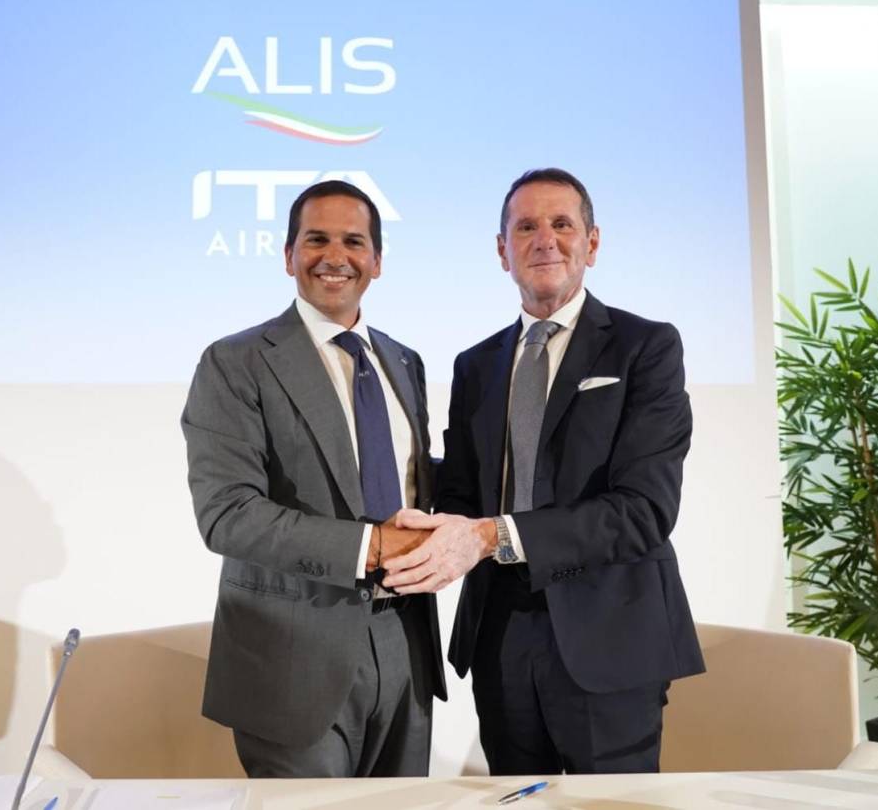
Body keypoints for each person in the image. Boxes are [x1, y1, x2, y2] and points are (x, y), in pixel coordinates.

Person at [383, 168, 704, 775]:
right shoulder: (475, 365)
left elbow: (644, 511)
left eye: (562, 224)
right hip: (500, 636)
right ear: (502, 250)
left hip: (611, 637)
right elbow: (462, 493)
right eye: (526, 227)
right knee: (513, 801)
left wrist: (492, 535)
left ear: (592, 243)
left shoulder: (645, 347)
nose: (545, 240)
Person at [181, 180, 446, 778]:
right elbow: (227, 514)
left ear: (377, 260)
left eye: (354, 241)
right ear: (288, 255)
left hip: (405, 644)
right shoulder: (236, 361)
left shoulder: (403, 361)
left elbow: (409, 480)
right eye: (316, 239)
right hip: (292, 659)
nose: (335, 256)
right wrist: (373, 546)